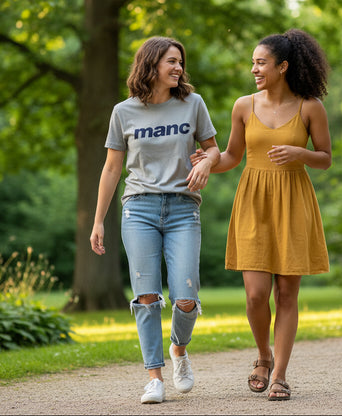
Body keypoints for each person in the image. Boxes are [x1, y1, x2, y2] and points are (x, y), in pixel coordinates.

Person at [191, 28, 331, 401]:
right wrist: (207, 161)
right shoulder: (243, 105)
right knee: (256, 295)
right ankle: (263, 356)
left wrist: (300, 154)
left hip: (294, 201)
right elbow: (233, 156)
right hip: (253, 200)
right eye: (252, 62)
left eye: (261, 63)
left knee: (287, 292)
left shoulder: (310, 106)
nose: (254, 69)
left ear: (283, 67)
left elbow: (326, 158)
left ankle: (280, 376)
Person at [90, 36, 220, 404]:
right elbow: (112, 168)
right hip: (139, 209)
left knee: (185, 298)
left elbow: (214, 150)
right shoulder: (123, 112)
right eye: (171, 62)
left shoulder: (193, 104)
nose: (179, 68)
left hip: (183, 209)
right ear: (151, 65)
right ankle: (154, 377)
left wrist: (208, 162)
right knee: (146, 296)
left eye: (180, 62)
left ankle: (179, 349)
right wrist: (98, 220)